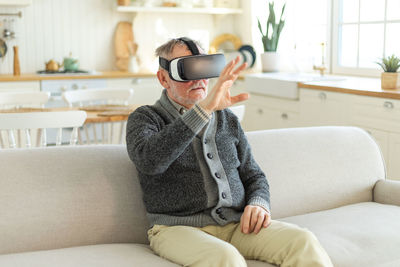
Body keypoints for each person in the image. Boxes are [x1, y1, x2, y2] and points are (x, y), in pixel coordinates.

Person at [126, 37, 333, 267]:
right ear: (163, 78)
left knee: (302, 241)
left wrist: (258, 203)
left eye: (204, 67)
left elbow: (254, 175)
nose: (200, 78)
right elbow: (150, 161)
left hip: (236, 226)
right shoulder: (145, 118)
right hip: (176, 229)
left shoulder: (227, 120)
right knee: (226, 258)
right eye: (187, 69)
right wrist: (203, 110)